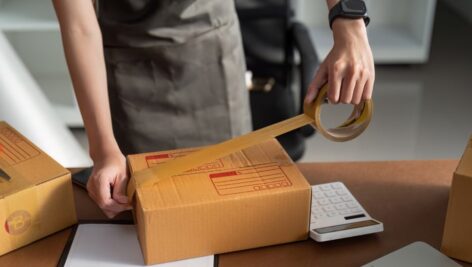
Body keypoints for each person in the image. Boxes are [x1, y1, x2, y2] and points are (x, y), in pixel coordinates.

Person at [52, 0, 374, 218]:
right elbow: (79, 26)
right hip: (130, 69)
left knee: (228, 202)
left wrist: (349, 22)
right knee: (150, 209)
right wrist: (104, 150)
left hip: (212, 57)